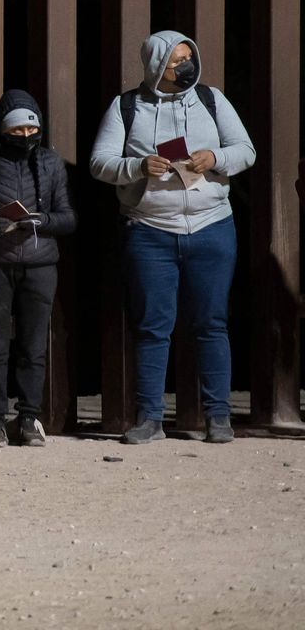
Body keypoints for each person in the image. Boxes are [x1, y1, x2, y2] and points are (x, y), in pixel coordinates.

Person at [90, 31, 256, 445]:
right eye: (175, 61)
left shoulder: (211, 100)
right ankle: (149, 418)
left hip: (212, 227)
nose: (186, 67)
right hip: (150, 233)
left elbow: (246, 150)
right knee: (152, 327)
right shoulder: (127, 106)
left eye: (188, 58)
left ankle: (218, 416)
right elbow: (99, 162)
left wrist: (215, 158)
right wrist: (137, 166)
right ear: (154, 66)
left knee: (211, 324)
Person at [0, 91, 77, 449]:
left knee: (33, 347)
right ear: (1, 130)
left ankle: (27, 418)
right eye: (16, 129)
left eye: (29, 128)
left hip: (40, 265)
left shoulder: (51, 163)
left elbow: (69, 218)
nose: (24, 136)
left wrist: (43, 219)